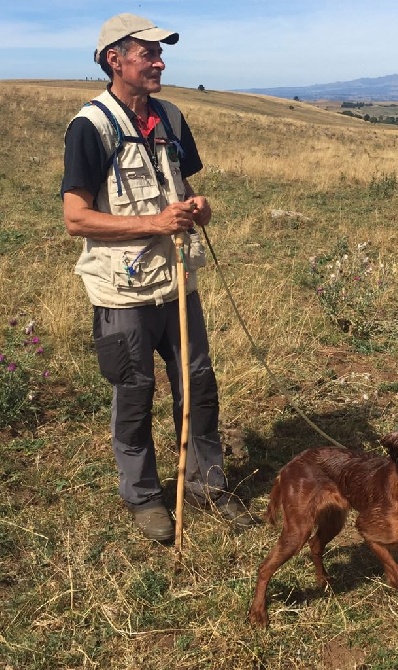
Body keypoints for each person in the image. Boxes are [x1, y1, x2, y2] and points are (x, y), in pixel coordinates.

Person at [62, 13, 254, 541]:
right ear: (113, 60)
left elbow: (181, 186)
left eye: (159, 52)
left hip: (176, 282)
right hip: (121, 290)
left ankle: (206, 487)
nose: (159, 62)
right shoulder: (91, 126)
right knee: (136, 391)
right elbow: (75, 217)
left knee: (199, 386)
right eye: (148, 53)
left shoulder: (169, 116)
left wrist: (199, 206)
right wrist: (153, 223)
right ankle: (145, 498)